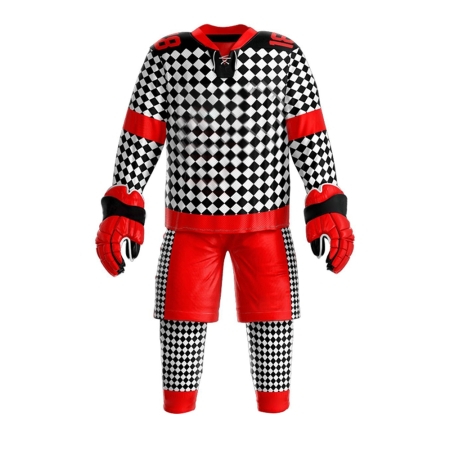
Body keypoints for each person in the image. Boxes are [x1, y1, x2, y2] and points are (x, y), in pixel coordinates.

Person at [95, 24, 354, 414]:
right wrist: (124, 199)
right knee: (180, 333)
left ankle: (274, 417)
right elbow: (142, 132)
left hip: (264, 225)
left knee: (273, 334)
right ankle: (178, 417)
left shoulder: (284, 54)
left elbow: (307, 131)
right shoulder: (166, 55)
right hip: (190, 226)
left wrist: (324, 197)